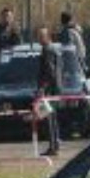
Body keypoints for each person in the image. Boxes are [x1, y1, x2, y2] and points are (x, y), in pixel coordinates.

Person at [30, 26, 64, 157]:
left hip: (49, 89)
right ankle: (55, 144)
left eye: (42, 35)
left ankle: (53, 147)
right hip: (55, 88)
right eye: (38, 35)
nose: (39, 38)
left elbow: (50, 72)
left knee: (48, 118)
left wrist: (43, 89)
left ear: (48, 36)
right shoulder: (54, 49)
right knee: (52, 117)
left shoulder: (47, 50)